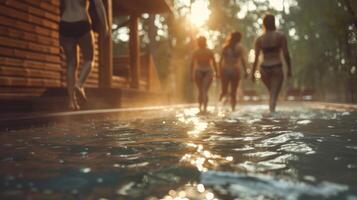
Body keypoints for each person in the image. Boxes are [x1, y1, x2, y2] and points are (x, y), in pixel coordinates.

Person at [60, 0, 109, 110]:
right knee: (89, 59)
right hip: (82, 22)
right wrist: (105, 26)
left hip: (65, 23)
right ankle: (79, 84)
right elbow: (98, 4)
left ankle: (72, 103)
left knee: (71, 63)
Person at [252, 13, 292, 113]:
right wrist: (289, 68)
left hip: (264, 69)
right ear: (274, 22)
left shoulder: (259, 39)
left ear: (264, 23)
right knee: (274, 93)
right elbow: (286, 53)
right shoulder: (280, 36)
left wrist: (253, 73)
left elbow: (256, 58)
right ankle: (272, 113)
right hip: (276, 67)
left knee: (272, 93)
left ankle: (271, 111)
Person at [219, 31, 248, 111]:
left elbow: (220, 61)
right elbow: (242, 60)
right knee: (233, 92)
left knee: (224, 91)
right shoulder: (239, 48)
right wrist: (245, 71)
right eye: (240, 38)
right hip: (235, 71)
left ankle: (220, 107)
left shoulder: (225, 47)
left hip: (226, 70)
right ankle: (232, 109)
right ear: (237, 38)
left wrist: (219, 72)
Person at [190, 36, 218, 114]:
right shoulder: (209, 51)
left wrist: (191, 74)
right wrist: (217, 73)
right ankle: (204, 108)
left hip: (199, 71)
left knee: (201, 90)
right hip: (207, 71)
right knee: (204, 90)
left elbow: (192, 64)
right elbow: (214, 63)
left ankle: (200, 108)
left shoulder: (196, 52)